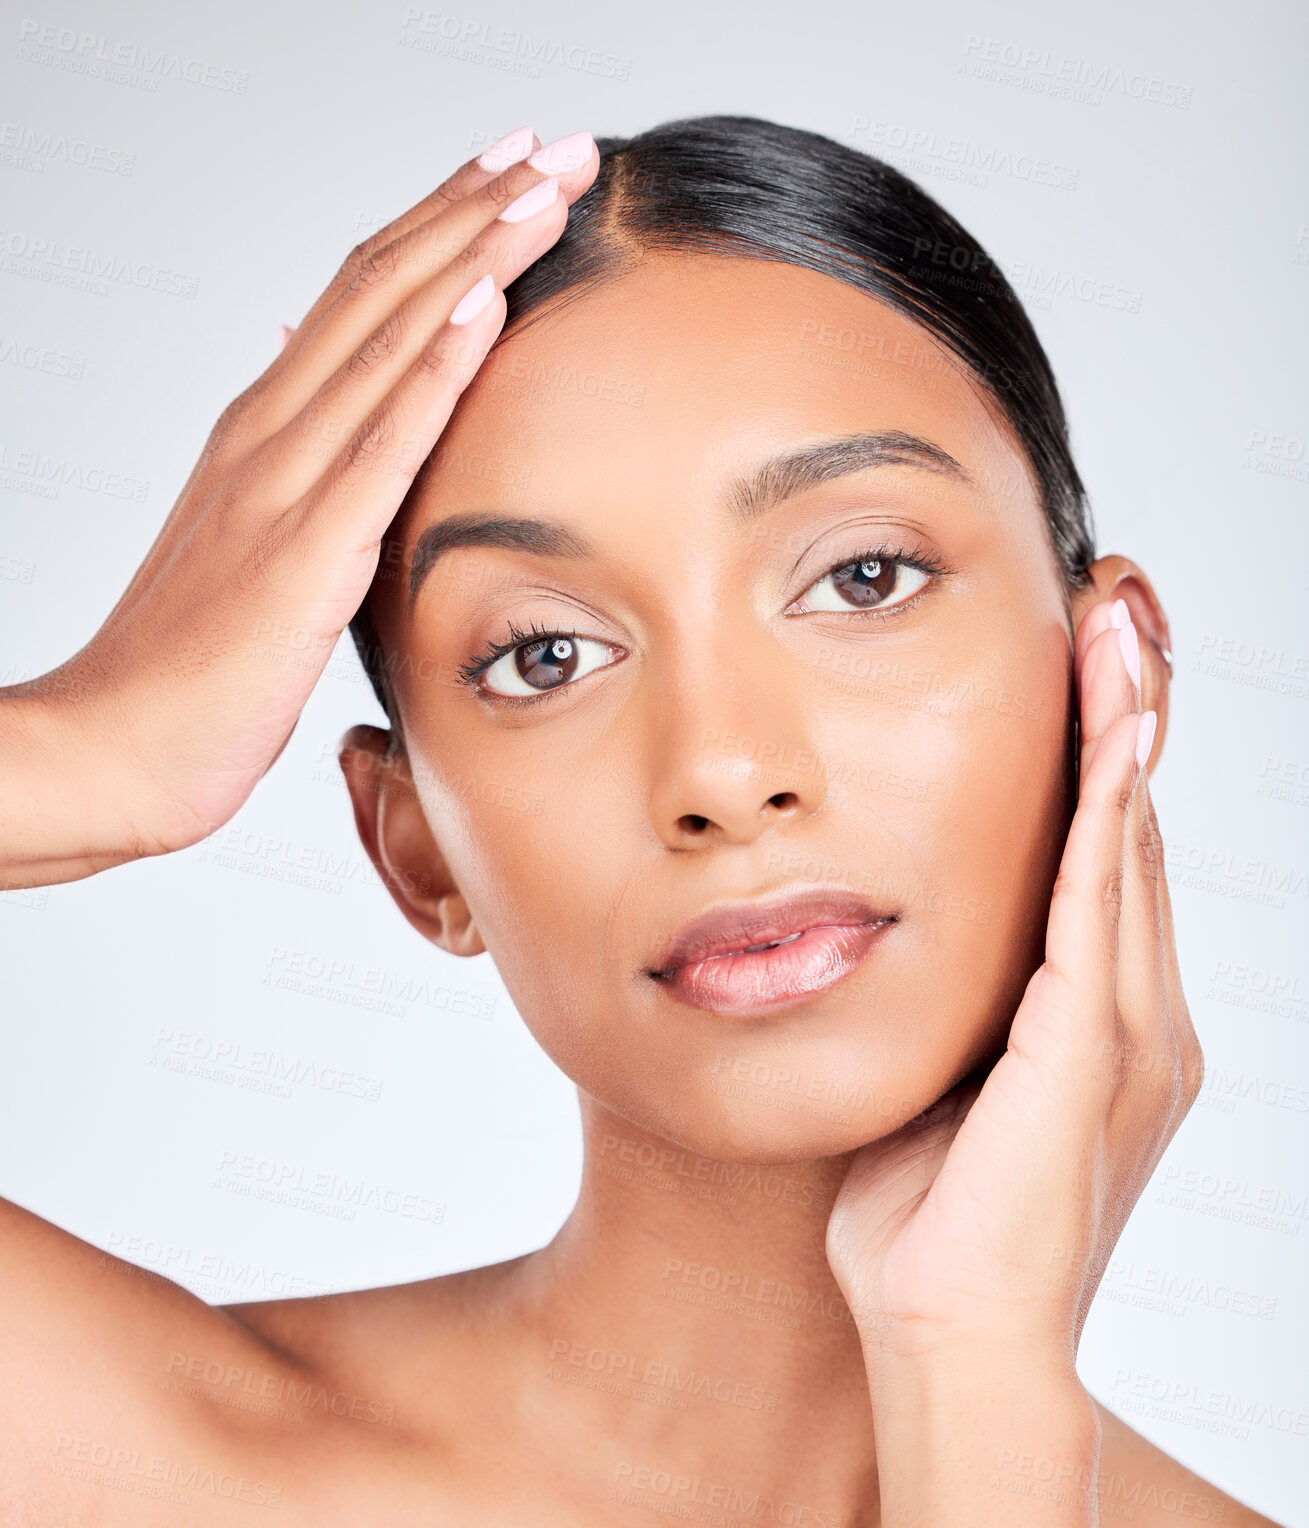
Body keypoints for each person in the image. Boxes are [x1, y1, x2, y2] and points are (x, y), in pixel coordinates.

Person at [0, 115, 1283, 1526]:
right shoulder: (114, 1458)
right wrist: (85, 757)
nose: (724, 772)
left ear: (1115, 678)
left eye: (861, 575)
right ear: (418, 851)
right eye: (544, 654)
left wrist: (976, 1387)